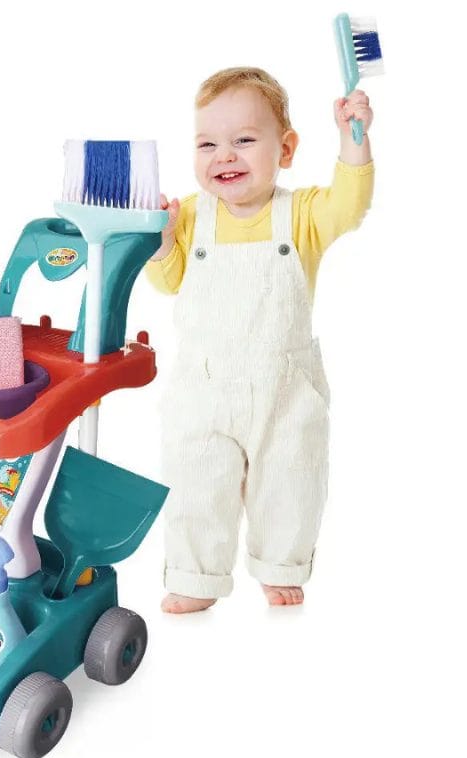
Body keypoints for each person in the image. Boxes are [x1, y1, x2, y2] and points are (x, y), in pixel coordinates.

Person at [147, 67, 374, 612]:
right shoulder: (190, 215)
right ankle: (195, 576)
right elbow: (168, 281)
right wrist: (161, 241)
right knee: (196, 481)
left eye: (244, 140)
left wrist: (354, 140)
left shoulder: (302, 214)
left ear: (285, 149)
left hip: (284, 387)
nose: (224, 156)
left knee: (289, 480)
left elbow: (350, 204)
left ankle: (281, 564)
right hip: (203, 387)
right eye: (207, 144)